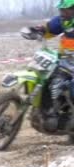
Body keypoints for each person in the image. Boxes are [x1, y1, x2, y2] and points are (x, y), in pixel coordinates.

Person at [26, 0, 74, 131]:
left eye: (66, 9)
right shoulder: (63, 21)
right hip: (65, 61)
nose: (62, 12)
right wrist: (38, 30)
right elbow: (49, 28)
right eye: (61, 10)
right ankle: (47, 112)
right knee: (46, 78)